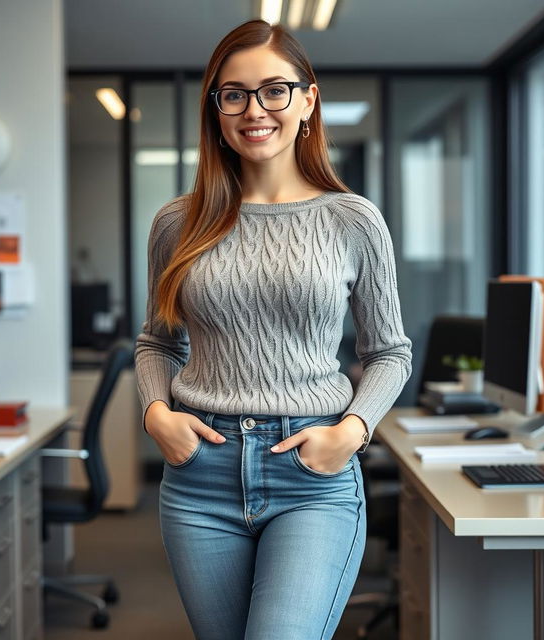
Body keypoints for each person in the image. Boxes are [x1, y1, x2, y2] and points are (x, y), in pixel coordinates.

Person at [134, 18, 412, 640]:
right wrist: (156, 414)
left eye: (274, 90)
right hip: (200, 474)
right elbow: (157, 340)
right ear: (216, 108)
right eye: (233, 93)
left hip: (310, 474)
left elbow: (389, 352)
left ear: (308, 99)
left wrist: (353, 431)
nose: (254, 109)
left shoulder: (353, 220)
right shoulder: (177, 224)